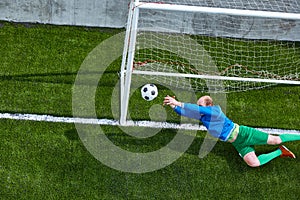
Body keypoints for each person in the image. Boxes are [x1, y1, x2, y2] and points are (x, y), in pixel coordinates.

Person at [163, 95, 300, 167]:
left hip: (244, 134)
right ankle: (281, 151)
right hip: (237, 143)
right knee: (254, 163)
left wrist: (179, 102)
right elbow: (188, 113)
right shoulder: (203, 117)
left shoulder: (215, 110)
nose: (199, 108)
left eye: (201, 105)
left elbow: (197, 110)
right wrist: (174, 106)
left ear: (209, 105)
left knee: (275, 139)